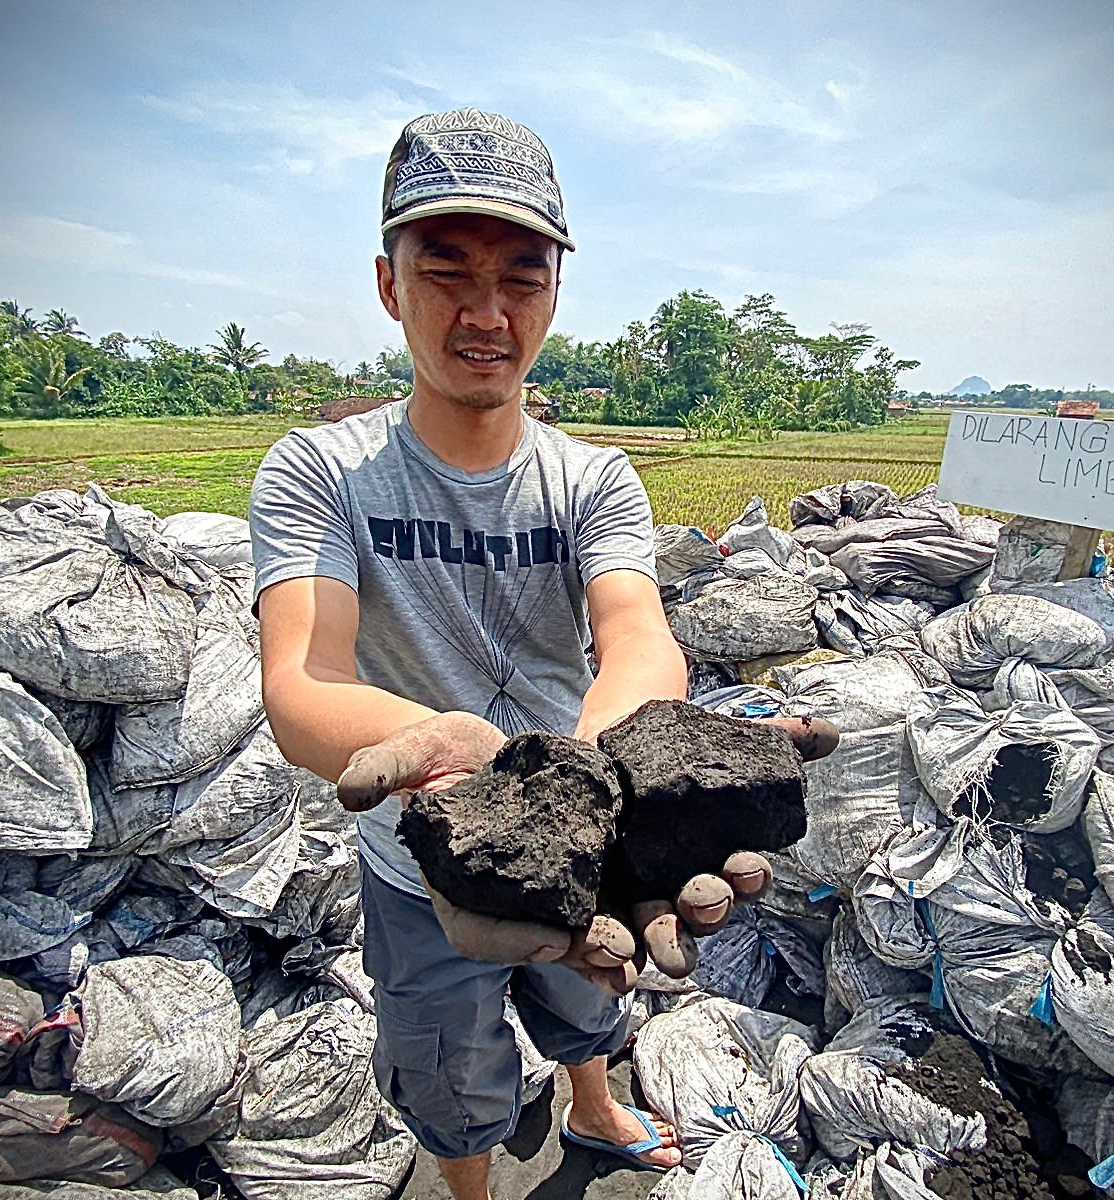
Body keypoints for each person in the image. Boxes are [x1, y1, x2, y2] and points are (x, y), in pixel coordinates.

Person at [249, 109, 808, 1200]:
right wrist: (470, 779)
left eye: (522, 276)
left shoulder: (591, 481)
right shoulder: (322, 472)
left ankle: (593, 1111)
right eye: (445, 270)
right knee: (448, 1063)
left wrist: (596, 775)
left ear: (554, 291)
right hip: (418, 864)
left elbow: (637, 635)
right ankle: (471, 1192)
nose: (485, 312)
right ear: (386, 283)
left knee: (589, 991)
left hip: (587, 835)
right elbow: (302, 683)